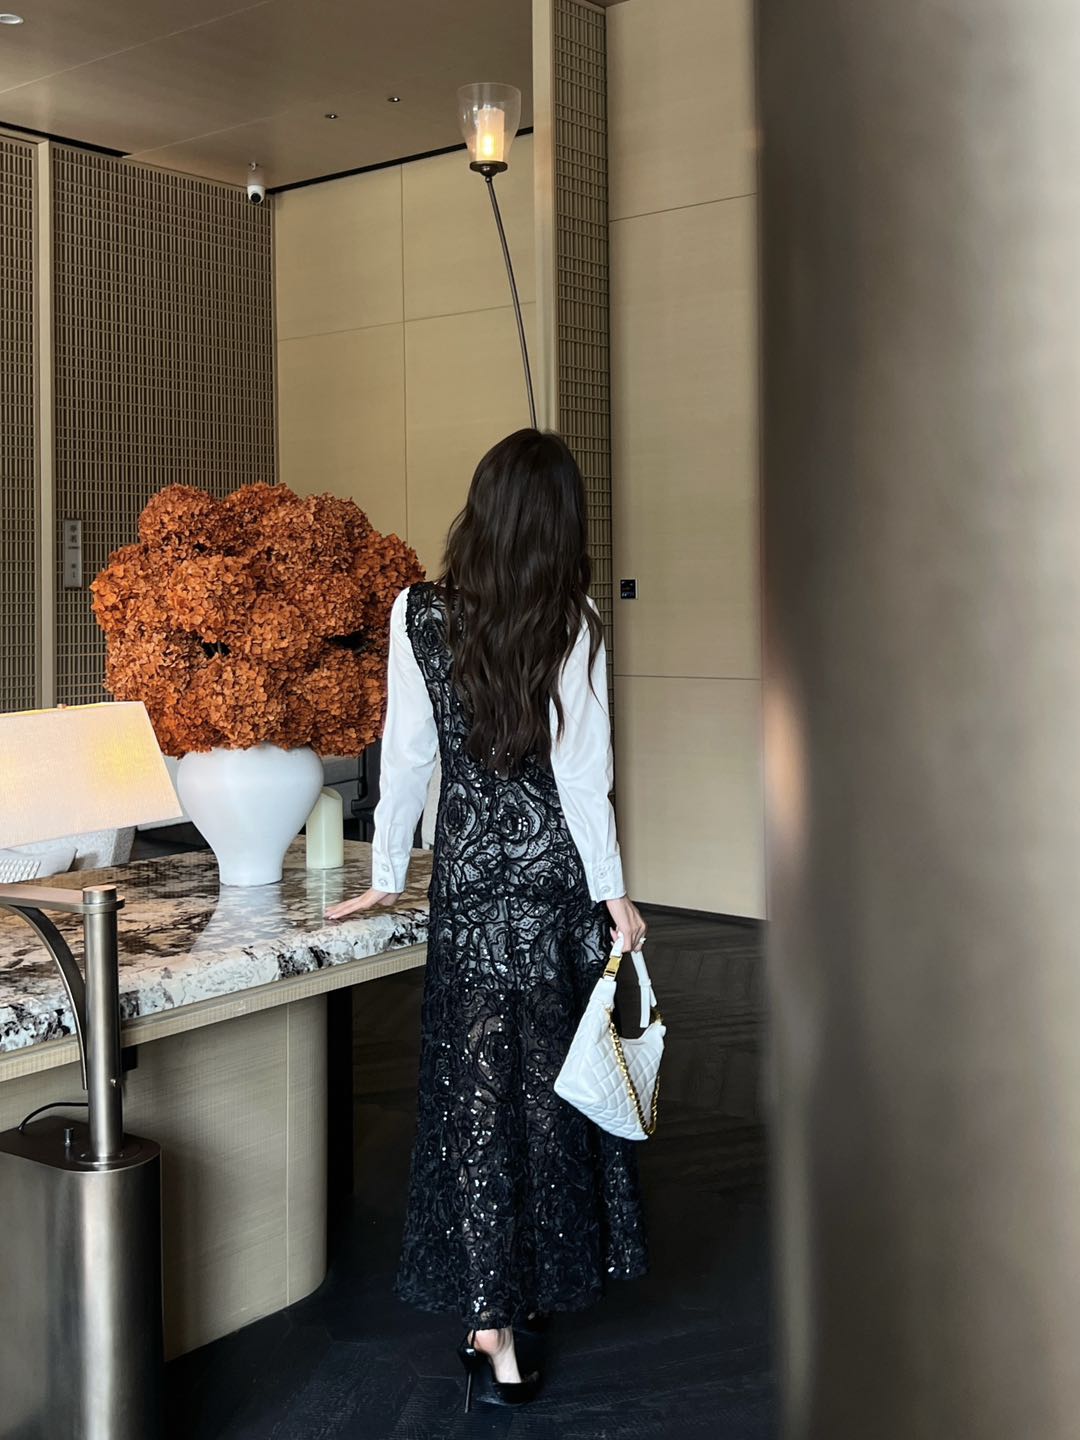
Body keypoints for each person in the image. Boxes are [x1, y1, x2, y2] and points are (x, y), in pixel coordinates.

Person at [325, 428, 648, 1410]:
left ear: (483, 509)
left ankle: (489, 1324)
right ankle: (526, 1292)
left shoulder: (417, 613)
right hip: (553, 889)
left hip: (469, 890)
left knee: (474, 1099)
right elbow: (583, 779)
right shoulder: (574, 621)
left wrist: (387, 872)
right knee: (546, 1099)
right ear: (559, 527)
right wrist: (613, 891)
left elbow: (407, 758)